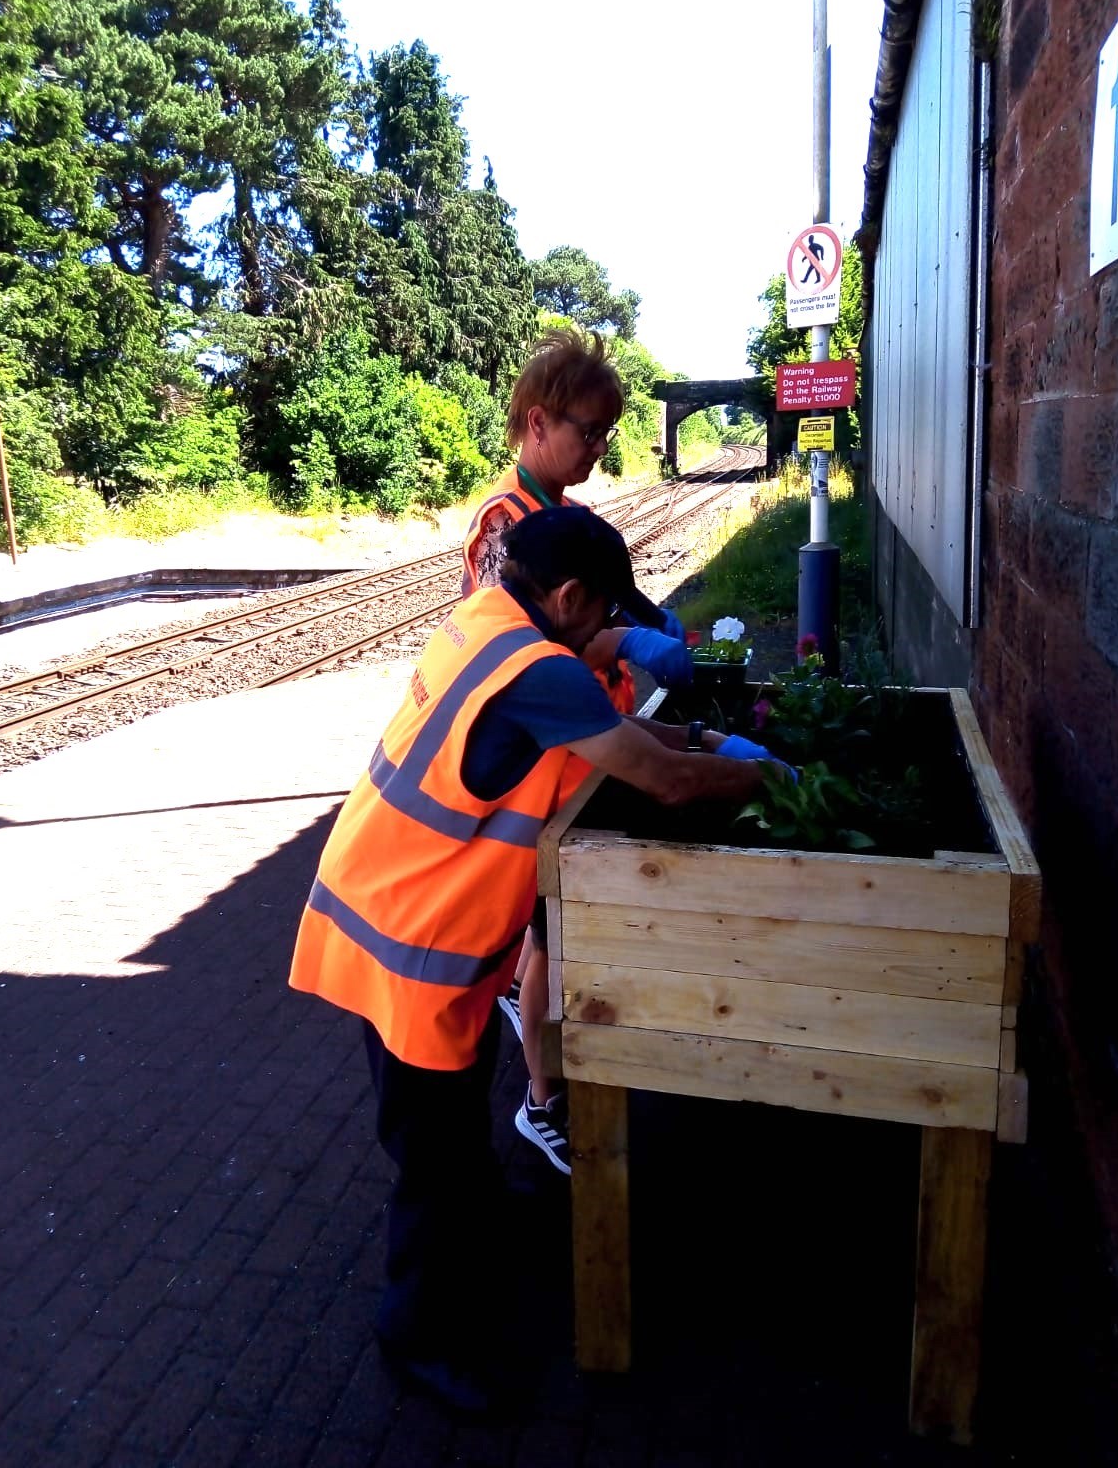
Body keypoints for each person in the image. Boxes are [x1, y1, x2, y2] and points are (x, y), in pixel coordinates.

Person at [288, 504, 789, 1415]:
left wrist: (712, 740)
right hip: (414, 944)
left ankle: (473, 1236)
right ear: (565, 596)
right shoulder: (537, 667)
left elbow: (619, 748)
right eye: (604, 616)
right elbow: (660, 778)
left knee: (441, 1138)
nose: (610, 635)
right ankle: (418, 1340)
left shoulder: (489, 620)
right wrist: (757, 773)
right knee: (430, 1160)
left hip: (379, 909)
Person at [460, 327, 690, 1173]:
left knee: (556, 929)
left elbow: (602, 608)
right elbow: (518, 661)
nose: (597, 447)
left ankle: (542, 1044)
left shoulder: (571, 515)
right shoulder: (505, 527)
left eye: (604, 435)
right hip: (551, 758)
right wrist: (620, 647)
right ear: (534, 423)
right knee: (551, 926)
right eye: (586, 431)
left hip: (586, 746)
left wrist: (643, 620)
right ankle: (541, 1102)